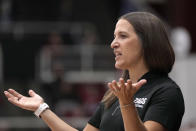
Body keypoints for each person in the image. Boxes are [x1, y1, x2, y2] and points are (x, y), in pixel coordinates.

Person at [4, 12, 184, 131]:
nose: (113, 44)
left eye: (123, 36)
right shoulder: (115, 94)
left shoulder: (166, 92)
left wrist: (127, 104)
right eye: (114, 37)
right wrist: (41, 109)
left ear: (147, 42)